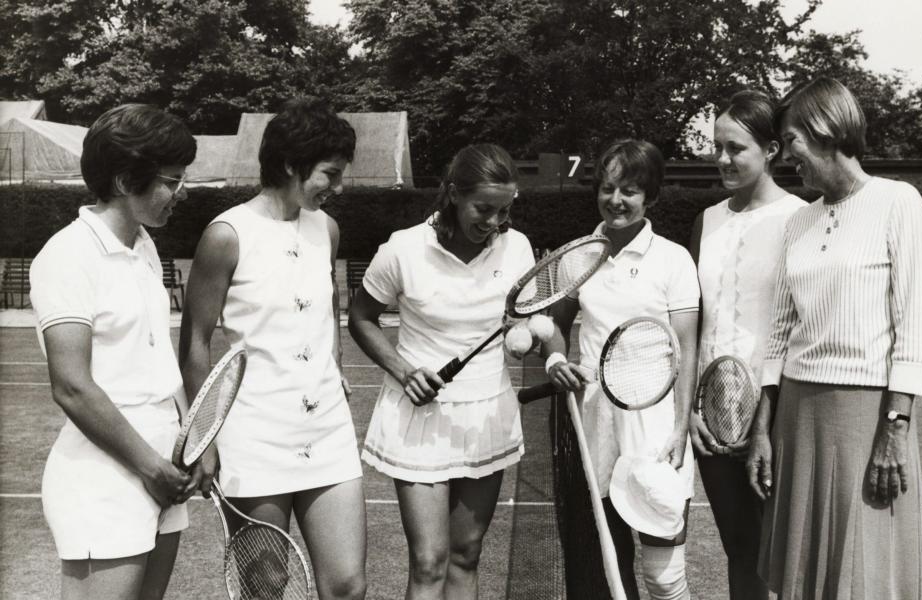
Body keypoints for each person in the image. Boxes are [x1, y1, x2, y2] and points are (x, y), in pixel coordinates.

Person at [746, 77, 922, 599]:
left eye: (792, 140)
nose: (787, 157)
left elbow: (912, 332)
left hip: (868, 420)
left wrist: (894, 428)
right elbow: (780, 334)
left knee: (866, 577)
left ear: (826, 130)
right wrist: (763, 429)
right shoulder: (798, 222)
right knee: (805, 577)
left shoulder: (899, 202)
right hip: (796, 418)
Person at [179, 97, 366, 600]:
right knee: (266, 587)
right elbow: (194, 342)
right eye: (330, 174)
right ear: (290, 164)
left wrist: (334, 365)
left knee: (347, 584)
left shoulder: (326, 228)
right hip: (253, 432)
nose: (339, 187)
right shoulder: (226, 234)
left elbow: (328, 303)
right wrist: (205, 439)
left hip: (326, 425)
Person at [348, 143, 534, 599]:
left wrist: (523, 329)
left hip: (489, 415)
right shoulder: (404, 248)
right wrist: (404, 370)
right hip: (420, 422)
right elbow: (360, 317)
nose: (493, 223)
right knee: (429, 561)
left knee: (466, 553)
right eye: (484, 209)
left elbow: (525, 324)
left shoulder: (518, 248)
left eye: (504, 211)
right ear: (453, 193)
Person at [29, 104, 196, 600]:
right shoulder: (66, 256)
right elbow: (73, 387)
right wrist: (152, 466)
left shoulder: (144, 246)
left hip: (163, 469)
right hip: (104, 480)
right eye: (171, 181)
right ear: (125, 180)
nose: (178, 194)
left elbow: (158, 364)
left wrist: (194, 444)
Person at [542, 139, 700, 600]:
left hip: (654, 427)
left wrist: (679, 429)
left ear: (650, 196)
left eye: (629, 190)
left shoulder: (673, 259)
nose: (616, 200)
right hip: (592, 425)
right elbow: (554, 324)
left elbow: (687, 350)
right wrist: (555, 357)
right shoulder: (577, 254)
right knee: (602, 570)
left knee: (663, 575)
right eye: (607, 188)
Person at [688, 90, 806, 600]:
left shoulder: (802, 218)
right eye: (717, 146)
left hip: (777, 417)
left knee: (783, 558)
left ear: (772, 150)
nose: (722, 159)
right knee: (740, 550)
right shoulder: (706, 221)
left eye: (735, 148)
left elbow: (803, 325)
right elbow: (691, 322)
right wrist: (691, 405)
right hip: (712, 418)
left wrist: (767, 418)